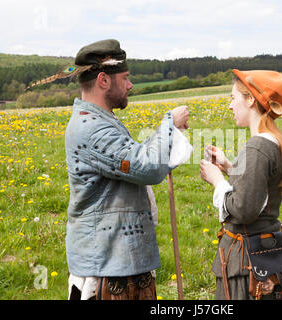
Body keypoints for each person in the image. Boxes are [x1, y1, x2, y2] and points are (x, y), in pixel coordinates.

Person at [62, 39, 191, 300]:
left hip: (117, 263)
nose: (130, 85)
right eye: (126, 78)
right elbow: (147, 167)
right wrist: (170, 123)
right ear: (103, 81)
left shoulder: (100, 121)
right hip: (105, 269)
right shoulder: (92, 129)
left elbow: (132, 161)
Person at [199, 69, 282, 300]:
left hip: (249, 262)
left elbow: (244, 209)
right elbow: (261, 188)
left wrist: (217, 180)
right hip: (270, 251)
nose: (230, 105)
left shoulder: (257, 147)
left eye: (233, 97)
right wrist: (229, 166)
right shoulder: (281, 141)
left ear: (251, 100)